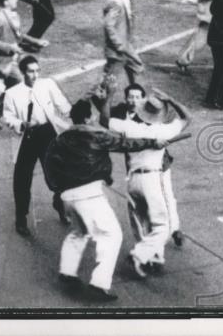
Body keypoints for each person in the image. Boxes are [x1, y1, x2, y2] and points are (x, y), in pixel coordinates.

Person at [44, 84, 176, 302]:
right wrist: (153, 142)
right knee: (112, 235)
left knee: (78, 232)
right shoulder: (95, 135)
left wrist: (58, 190)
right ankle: (98, 284)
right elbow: (125, 143)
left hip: (67, 196)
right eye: (93, 116)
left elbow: (50, 166)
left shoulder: (60, 138)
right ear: (87, 119)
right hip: (89, 194)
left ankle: (67, 272)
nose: (96, 120)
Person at [108, 85, 191, 278]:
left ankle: (153, 258)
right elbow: (188, 117)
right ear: (160, 114)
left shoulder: (130, 126)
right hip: (153, 179)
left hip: (133, 180)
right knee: (165, 227)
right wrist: (170, 98)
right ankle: (139, 255)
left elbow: (105, 120)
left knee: (143, 221)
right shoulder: (163, 130)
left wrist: (109, 96)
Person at [3, 55, 72, 236]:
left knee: (58, 173)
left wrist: (76, 112)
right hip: (27, 137)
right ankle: (21, 218)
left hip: (47, 133)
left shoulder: (47, 84)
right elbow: (8, 117)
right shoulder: (12, 94)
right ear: (23, 72)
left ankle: (59, 202)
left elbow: (63, 105)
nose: (35, 75)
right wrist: (20, 124)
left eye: (37, 71)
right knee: (22, 179)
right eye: (30, 71)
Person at [0, 0, 48, 131]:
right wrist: (9, 47)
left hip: (15, 60)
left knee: (13, 90)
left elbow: (19, 35)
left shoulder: (13, 15)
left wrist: (36, 41)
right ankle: (27, 122)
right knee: (22, 88)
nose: (16, 0)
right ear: (6, 2)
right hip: (5, 63)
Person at [103, 0, 145, 86]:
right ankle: (136, 94)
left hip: (121, 45)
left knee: (113, 74)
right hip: (119, 46)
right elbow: (108, 25)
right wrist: (119, 45)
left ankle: (133, 93)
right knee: (137, 66)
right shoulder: (115, 1)